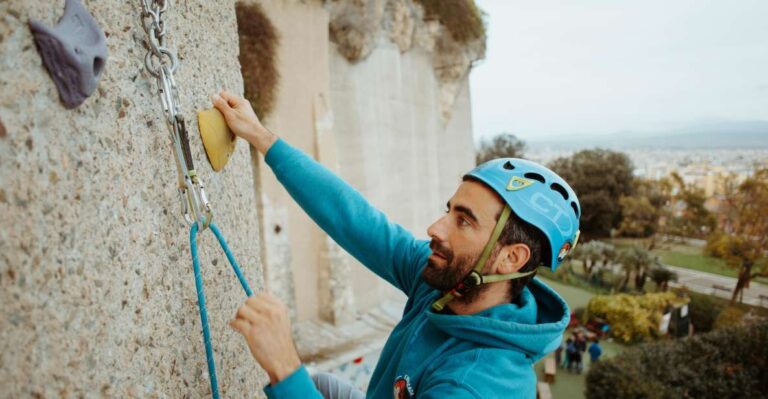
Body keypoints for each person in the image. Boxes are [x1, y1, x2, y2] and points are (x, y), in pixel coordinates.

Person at [212, 91, 582, 398]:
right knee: (318, 386)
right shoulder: (448, 283)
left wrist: (284, 365)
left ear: (510, 258)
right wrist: (262, 137)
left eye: (463, 220)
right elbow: (355, 220)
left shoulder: (475, 384)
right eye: (448, 210)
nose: (435, 228)